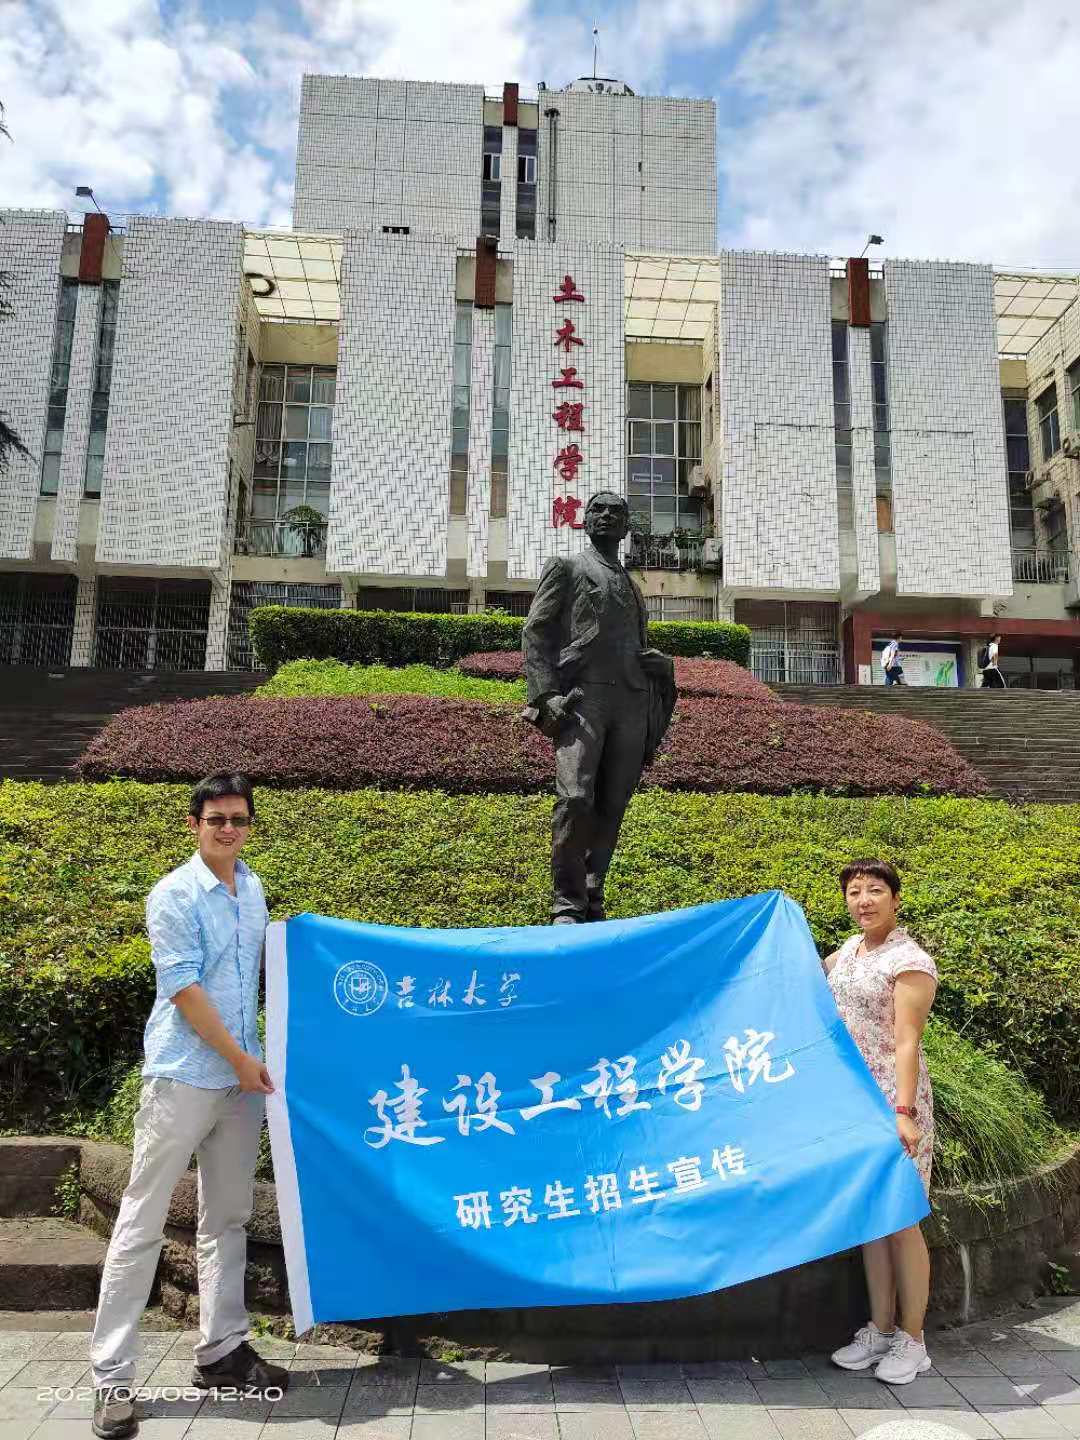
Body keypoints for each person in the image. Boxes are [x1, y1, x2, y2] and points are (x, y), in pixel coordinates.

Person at [90, 773, 288, 1440]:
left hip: (241, 1084)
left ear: (249, 825)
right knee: (141, 1222)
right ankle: (112, 1378)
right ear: (194, 825)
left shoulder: (253, 890)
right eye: (216, 819)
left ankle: (222, 1349)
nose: (228, 829)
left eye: (238, 819)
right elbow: (184, 989)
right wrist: (239, 1060)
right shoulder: (173, 894)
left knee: (227, 1219)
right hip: (184, 1077)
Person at [522, 492, 675, 924]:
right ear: (585, 520)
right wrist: (545, 696)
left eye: (616, 512)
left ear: (626, 528)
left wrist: (664, 668)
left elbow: (637, 646)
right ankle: (566, 903)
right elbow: (536, 632)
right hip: (584, 699)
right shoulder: (567, 568)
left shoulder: (632, 585)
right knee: (574, 797)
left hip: (632, 702)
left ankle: (592, 894)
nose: (606, 516)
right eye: (598, 509)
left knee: (613, 804)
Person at [825, 859, 938, 1385]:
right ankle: (881, 1328)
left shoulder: (910, 962)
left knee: (902, 1219)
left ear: (895, 899)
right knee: (873, 1218)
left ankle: (914, 1341)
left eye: (875, 890)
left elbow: (906, 1041)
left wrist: (904, 1112)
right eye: (854, 892)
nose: (864, 900)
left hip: (894, 1103)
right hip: (851, 1104)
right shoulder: (848, 951)